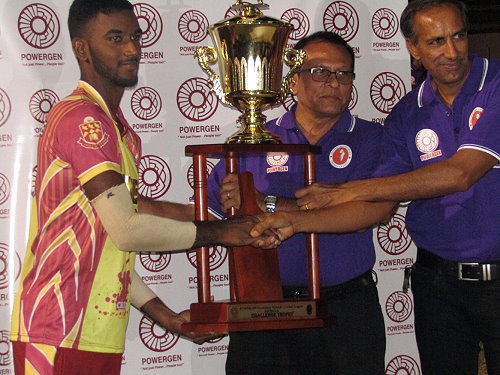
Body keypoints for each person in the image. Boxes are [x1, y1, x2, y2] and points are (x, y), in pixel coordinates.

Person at [9, 1, 277, 374]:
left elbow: (107, 248)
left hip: (93, 331)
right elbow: (128, 230)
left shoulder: (119, 130)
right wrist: (221, 231)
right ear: (81, 49)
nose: (132, 49)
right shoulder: (82, 118)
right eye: (115, 38)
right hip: (57, 329)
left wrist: (166, 318)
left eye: (135, 36)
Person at [251, 1, 500, 374]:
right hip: (437, 284)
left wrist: (341, 192)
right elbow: (383, 193)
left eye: (458, 37)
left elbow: (462, 173)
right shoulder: (405, 114)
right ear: (413, 49)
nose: (451, 51)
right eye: (435, 42)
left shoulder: (495, 84)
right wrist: (279, 205)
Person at [207, 31, 387, 375]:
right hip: (263, 313)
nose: (334, 83)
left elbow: (364, 214)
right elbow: (209, 218)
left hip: (345, 311)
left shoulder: (373, 138)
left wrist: (267, 203)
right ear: (292, 82)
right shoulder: (254, 141)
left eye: (343, 73)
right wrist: (145, 211)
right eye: (320, 72)